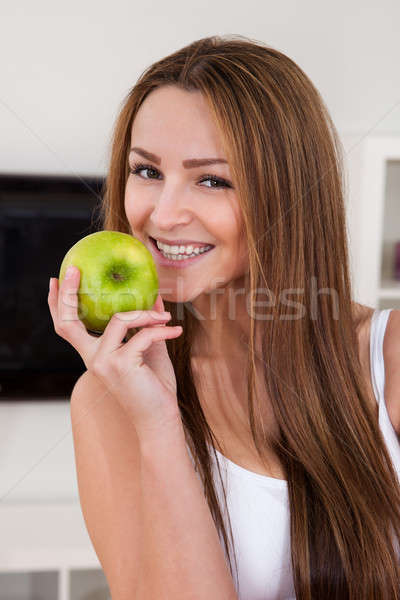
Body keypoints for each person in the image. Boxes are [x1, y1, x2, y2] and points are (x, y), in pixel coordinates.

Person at [48, 34, 400, 599]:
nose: (161, 214)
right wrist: (158, 420)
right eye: (146, 171)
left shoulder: (389, 358)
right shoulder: (107, 400)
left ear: (288, 195)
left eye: (212, 179)